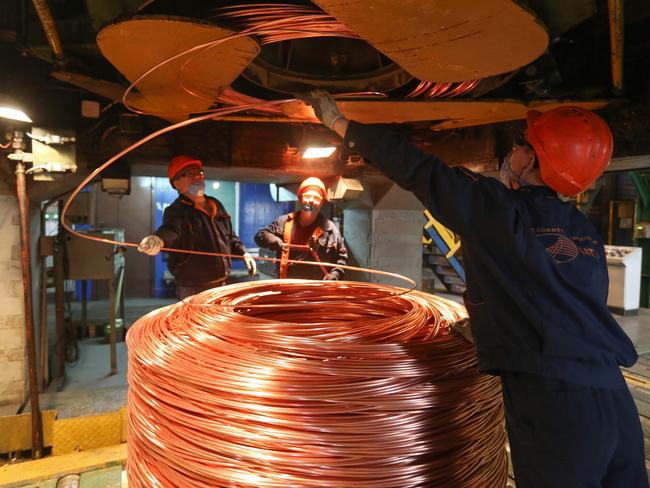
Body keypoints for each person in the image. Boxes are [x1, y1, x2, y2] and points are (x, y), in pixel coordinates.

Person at [299, 91, 648, 487]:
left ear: (531, 159)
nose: (513, 149)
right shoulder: (581, 229)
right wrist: (488, 325)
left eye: (520, 143)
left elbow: (421, 170)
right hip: (614, 398)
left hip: (556, 405)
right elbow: (559, 301)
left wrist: (341, 124)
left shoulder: (497, 208)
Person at [138, 155, 256, 299]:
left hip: (221, 283)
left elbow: (230, 237)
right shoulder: (176, 210)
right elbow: (170, 229)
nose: (197, 177)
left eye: (199, 173)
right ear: (176, 183)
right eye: (189, 174)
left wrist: (244, 253)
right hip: (193, 288)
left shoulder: (216, 204)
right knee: (195, 322)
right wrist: (158, 239)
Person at [255, 176, 348, 280]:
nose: (311, 201)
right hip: (287, 288)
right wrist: (270, 238)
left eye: (316, 198)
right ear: (300, 198)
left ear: (322, 202)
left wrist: (335, 275)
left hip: (317, 291)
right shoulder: (283, 222)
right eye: (307, 196)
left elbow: (341, 259)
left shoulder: (331, 230)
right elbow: (260, 234)